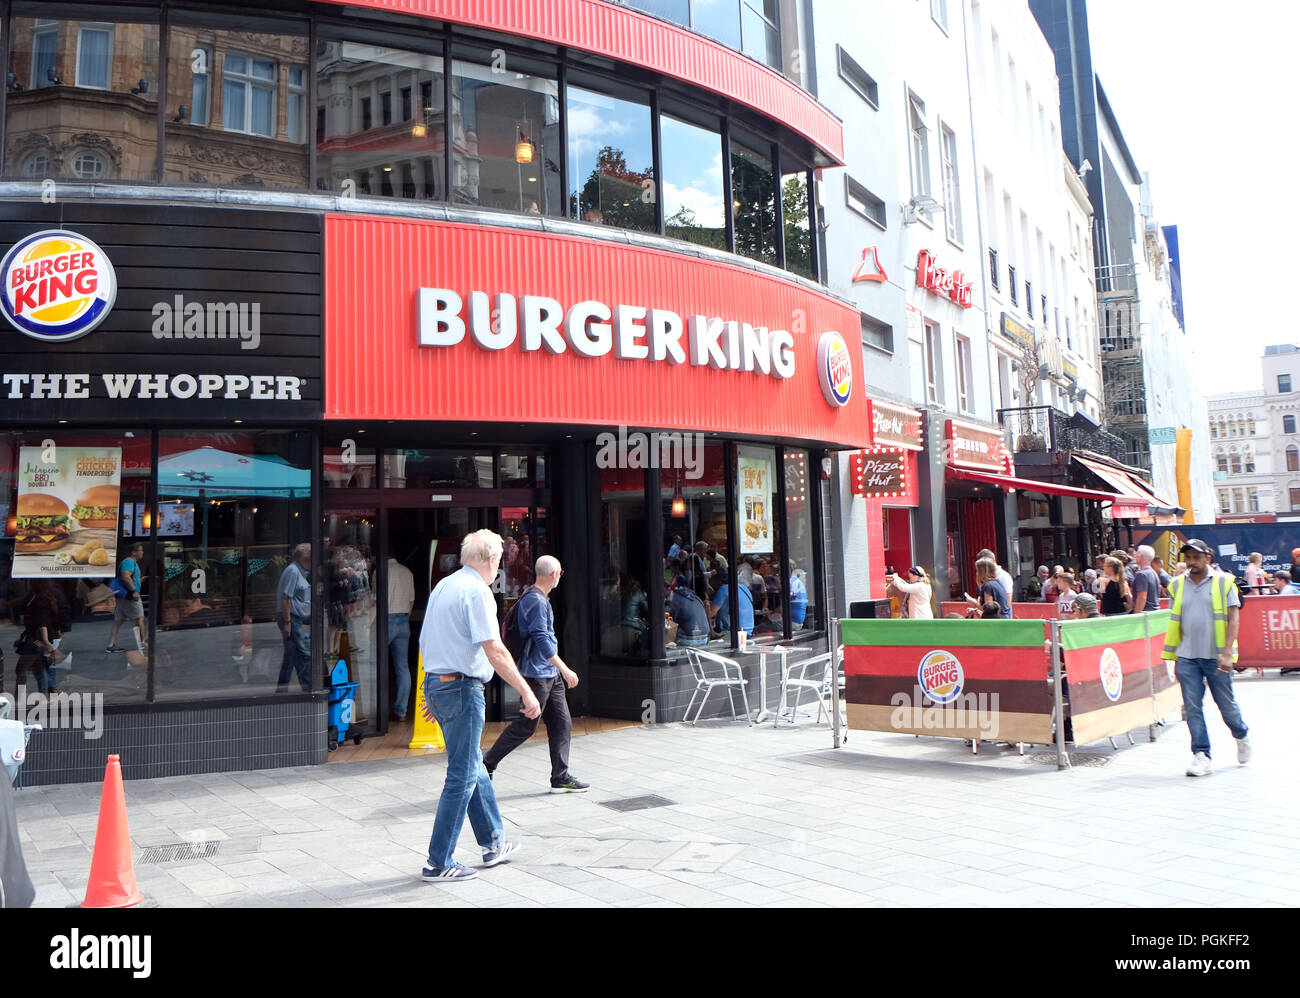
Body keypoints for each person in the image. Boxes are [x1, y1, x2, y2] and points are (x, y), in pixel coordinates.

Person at [418, 529, 541, 882]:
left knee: (471, 764)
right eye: (499, 562)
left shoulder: (444, 586)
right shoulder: (477, 591)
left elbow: (429, 639)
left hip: (441, 684)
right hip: (460, 688)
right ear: (490, 561)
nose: (498, 568)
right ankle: (438, 862)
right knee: (461, 774)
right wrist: (527, 691)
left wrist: (433, 690)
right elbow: (495, 650)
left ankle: (492, 842)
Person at [483, 556, 588, 794]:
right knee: (526, 725)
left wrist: (557, 670)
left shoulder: (538, 598)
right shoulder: (536, 602)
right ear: (554, 574)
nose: (561, 576)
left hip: (548, 673)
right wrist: (565, 668)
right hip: (537, 674)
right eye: (561, 572)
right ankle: (487, 764)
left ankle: (560, 777)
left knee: (562, 723)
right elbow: (542, 640)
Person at [1162, 539, 1250, 778]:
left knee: (1226, 706)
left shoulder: (1224, 582)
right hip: (1187, 655)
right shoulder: (1177, 585)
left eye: (1196, 557)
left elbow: (1234, 619)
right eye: (1188, 557)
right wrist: (1176, 656)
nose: (1191, 562)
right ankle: (1201, 754)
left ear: (1207, 558)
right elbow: (1176, 619)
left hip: (1216, 656)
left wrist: (1226, 653)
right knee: (1192, 707)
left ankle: (1241, 734)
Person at [276, 543, 312, 693]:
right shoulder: (293, 571)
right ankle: (309, 687)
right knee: (302, 654)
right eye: (312, 557)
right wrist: (288, 622)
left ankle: (283, 689)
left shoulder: (299, 571)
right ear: (304, 558)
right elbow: (286, 597)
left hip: (295, 618)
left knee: (292, 656)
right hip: (292, 618)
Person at [387, 554, 415, 721]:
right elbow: (411, 601)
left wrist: (368, 625)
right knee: (402, 667)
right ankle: (401, 711)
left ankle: (377, 711)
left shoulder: (380, 572)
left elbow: (377, 601)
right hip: (404, 619)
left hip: (386, 619)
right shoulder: (407, 572)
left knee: (376, 665)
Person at [105, 542, 145, 653]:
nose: (142, 552)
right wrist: (133, 591)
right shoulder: (128, 562)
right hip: (130, 596)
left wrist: (140, 581)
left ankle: (110, 645)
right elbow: (126, 576)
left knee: (118, 620)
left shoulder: (131, 563)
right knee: (140, 618)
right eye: (140, 550)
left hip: (123, 596)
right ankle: (142, 643)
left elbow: (129, 578)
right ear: (134, 552)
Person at [709, 566, 754, 636]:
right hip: (748, 631)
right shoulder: (744, 588)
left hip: (732, 633)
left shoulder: (723, 589)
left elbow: (710, 614)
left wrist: (705, 605)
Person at [1130, 545, 1161, 613]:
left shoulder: (1142, 575)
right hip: (1154, 613)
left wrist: (1136, 615)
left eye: (1137, 553)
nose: (1135, 556)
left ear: (1141, 556)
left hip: (1145, 615)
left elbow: (1142, 597)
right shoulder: (1153, 573)